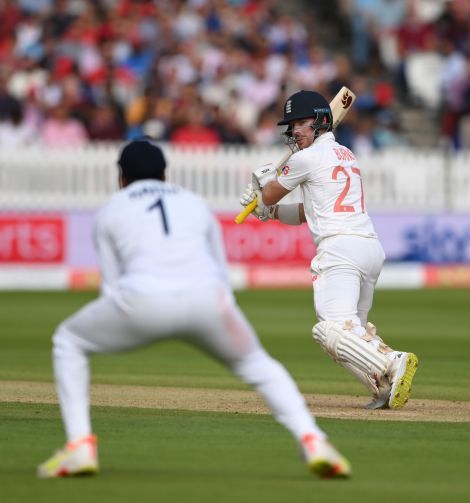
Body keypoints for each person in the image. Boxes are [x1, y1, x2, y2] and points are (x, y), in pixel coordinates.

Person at [37, 138, 350, 479]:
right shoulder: (193, 202)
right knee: (258, 364)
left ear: (121, 178)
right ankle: (314, 441)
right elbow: (219, 270)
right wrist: (224, 316)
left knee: (69, 341)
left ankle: (80, 446)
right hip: (208, 301)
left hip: (142, 301)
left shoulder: (112, 209)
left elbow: (112, 286)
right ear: (165, 174)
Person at [239, 90, 419, 410]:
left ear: (322, 121)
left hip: (339, 250)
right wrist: (271, 212)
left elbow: (269, 194)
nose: (295, 131)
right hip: (368, 247)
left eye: (302, 124)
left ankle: (393, 361)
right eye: (292, 125)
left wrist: (260, 192)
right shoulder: (345, 154)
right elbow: (310, 211)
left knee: (330, 330)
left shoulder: (305, 158)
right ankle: (382, 386)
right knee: (353, 333)